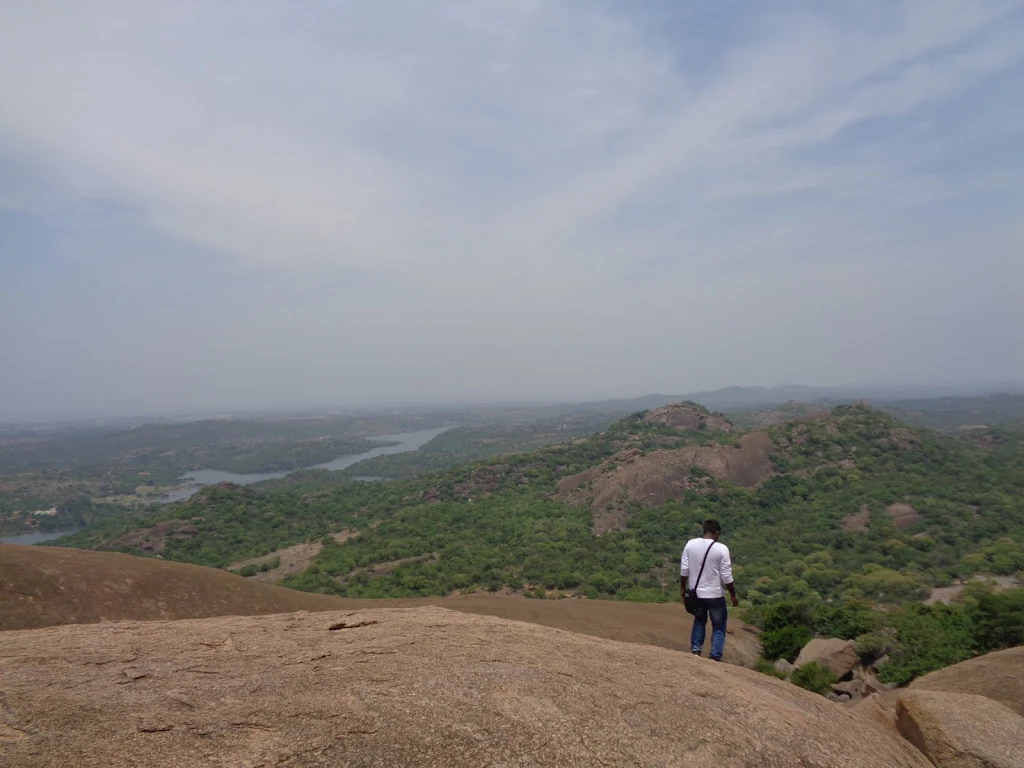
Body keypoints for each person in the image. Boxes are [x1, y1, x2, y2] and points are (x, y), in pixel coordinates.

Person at [680, 519, 738, 661]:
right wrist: (733, 595)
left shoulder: (690, 544)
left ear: (704, 530)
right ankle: (715, 655)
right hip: (715, 594)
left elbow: (684, 570)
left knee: (699, 620)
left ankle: (696, 650)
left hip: (696, 593)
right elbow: (726, 576)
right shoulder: (721, 549)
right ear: (717, 533)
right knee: (718, 625)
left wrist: (683, 588)